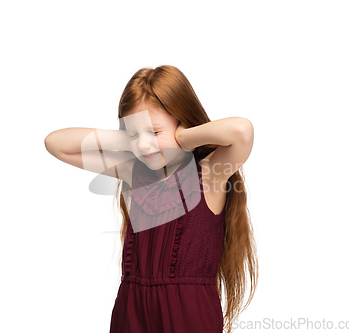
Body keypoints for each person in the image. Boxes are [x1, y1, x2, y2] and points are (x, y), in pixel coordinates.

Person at [44, 65, 258, 333]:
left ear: (182, 122)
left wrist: (180, 137)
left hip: (188, 314)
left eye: (155, 132)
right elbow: (56, 143)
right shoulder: (134, 170)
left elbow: (241, 131)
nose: (145, 146)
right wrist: (134, 136)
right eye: (134, 135)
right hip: (131, 310)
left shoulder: (209, 173)